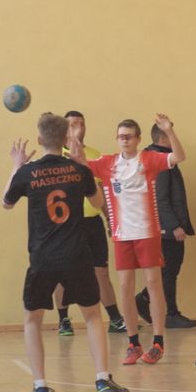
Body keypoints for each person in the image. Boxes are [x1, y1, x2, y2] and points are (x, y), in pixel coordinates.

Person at [2, 113, 129, 392]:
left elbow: (6, 203)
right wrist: (83, 162)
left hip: (42, 257)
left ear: (39, 139)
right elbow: (98, 203)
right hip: (76, 254)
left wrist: (16, 166)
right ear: (65, 140)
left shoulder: (29, 172)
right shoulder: (78, 170)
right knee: (93, 315)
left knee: (32, 320)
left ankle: (40, 387)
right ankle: (102, 379)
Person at [73, 115, 187, 366]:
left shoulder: (149, 159)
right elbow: (79, 163)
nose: (124, 140)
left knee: (153, 283)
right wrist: (76, 139)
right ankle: (133, 343)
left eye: (129, 136)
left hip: (147, 232)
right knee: (125, 287)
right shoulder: (108, 163)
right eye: (121, 136)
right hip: (122, 234)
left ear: (138, 139)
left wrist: (169, 131)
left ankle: (158, 342)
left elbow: (179, 156)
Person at [53, 110, 129, 337]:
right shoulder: (57, 155)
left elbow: (101, 192)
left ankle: (115, 319)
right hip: (66, 224)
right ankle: (64, 320)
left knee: (101, 271)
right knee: (63, 273)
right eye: (73, 124)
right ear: (64, 129)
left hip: (92, 222)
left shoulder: (94, 155)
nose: (78, 127)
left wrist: (109, 218)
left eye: (81, 123)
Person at [135, 124, 196, 329]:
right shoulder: (160, 161)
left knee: (167, 271)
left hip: (161, 226)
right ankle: (169, 313)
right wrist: (173, 226)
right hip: (165, 229)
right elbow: (159, 198)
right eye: (171, 136)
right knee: (169, 272)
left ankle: (145, 300)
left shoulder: (158, 158)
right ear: (163, 139)